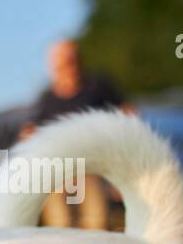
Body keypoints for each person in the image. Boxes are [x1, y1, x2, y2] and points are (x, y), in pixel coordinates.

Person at [23, 39, 131, 229]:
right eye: (60, 60)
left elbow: (128, 115)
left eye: (70, 58)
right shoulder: (47, 99)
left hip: (92, 168)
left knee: (97, 223)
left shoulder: (97, 87)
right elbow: (31, 133)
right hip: (57, 174)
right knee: (60, 225)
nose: (66, 65)